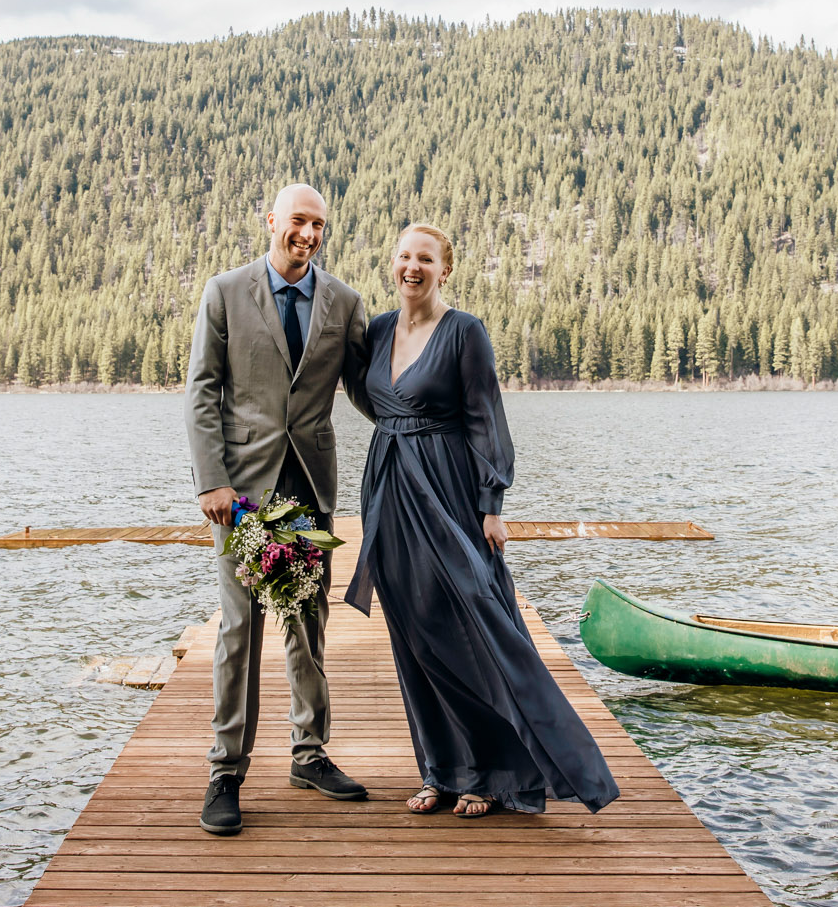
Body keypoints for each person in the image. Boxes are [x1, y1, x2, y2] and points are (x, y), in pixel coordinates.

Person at [346, 223, 619, 817]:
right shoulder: (380, 331)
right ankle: (440, 772)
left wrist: (492, 505)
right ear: (391, 265)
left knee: (469, 625)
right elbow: (372, 399)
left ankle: (492, 774)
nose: (412, 267)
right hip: (388, 492)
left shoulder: (466, 332)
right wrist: (402, 432)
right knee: (414, 633)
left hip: (449, 494)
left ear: (445, 270)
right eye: (403, 257)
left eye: (425, 259)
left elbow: (486, 420)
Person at [185, 182, 372, 836]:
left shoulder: (345, 303)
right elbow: (202, 392)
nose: (310, 234)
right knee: (241, 628)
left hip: (308, 490)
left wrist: (429, 413)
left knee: (307, 622)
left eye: (320, 224)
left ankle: (309, 753)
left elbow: (369, 391)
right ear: (272, 221)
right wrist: (212, 480)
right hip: (242, 493)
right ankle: (226, 771)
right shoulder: (225, 292)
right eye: (299, 221)